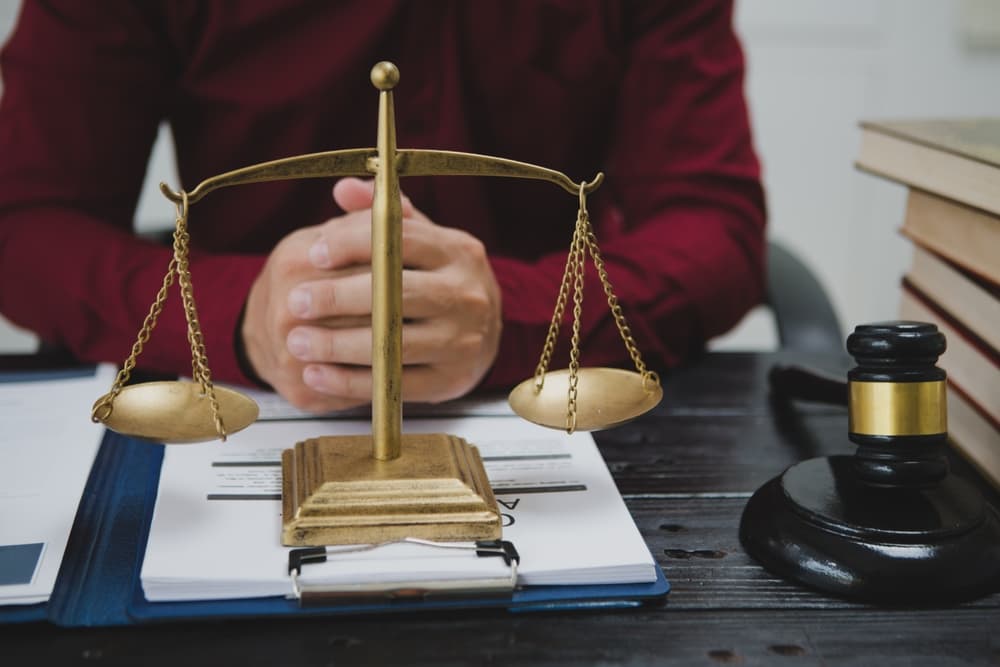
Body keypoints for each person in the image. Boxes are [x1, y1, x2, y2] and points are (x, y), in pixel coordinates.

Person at [0, 0, 766, 413]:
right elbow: (25, 224)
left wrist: (515, 313)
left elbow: (714, 229)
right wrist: (243, 313)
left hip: (530, 399)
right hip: (239, 400)